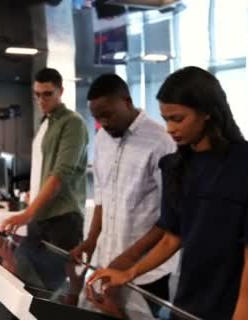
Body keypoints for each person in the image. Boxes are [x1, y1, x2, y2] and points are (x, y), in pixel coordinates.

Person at [86, 66, 248, 320]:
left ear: (207, 112)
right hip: (189, 300)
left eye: (178, 119)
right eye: (166, 119)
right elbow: (171, 238)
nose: (169, 129)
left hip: (236, 301)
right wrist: (130, 272)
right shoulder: (175, 166)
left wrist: (241, 315)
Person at [70, 74, 177, 316]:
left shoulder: (162, 141)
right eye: (97, 118)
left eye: (108, 114)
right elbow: (101, 195)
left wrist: (129, 260)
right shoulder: (101, 139)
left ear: (127, 102)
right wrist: (91, 239)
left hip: (147, 271)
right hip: (107, 261)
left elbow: (171, 214)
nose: (103, 123)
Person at [0, 68, 88, 251]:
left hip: (62, 217)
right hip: (39, 214)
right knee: (34, 277)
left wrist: (26, 215)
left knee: (63, 277)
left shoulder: (72, 122)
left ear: (61, 91)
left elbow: (60, 175)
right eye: (37, 95)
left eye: (48, 94)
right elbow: (43, 168)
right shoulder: (45, 122)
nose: (41, 100)